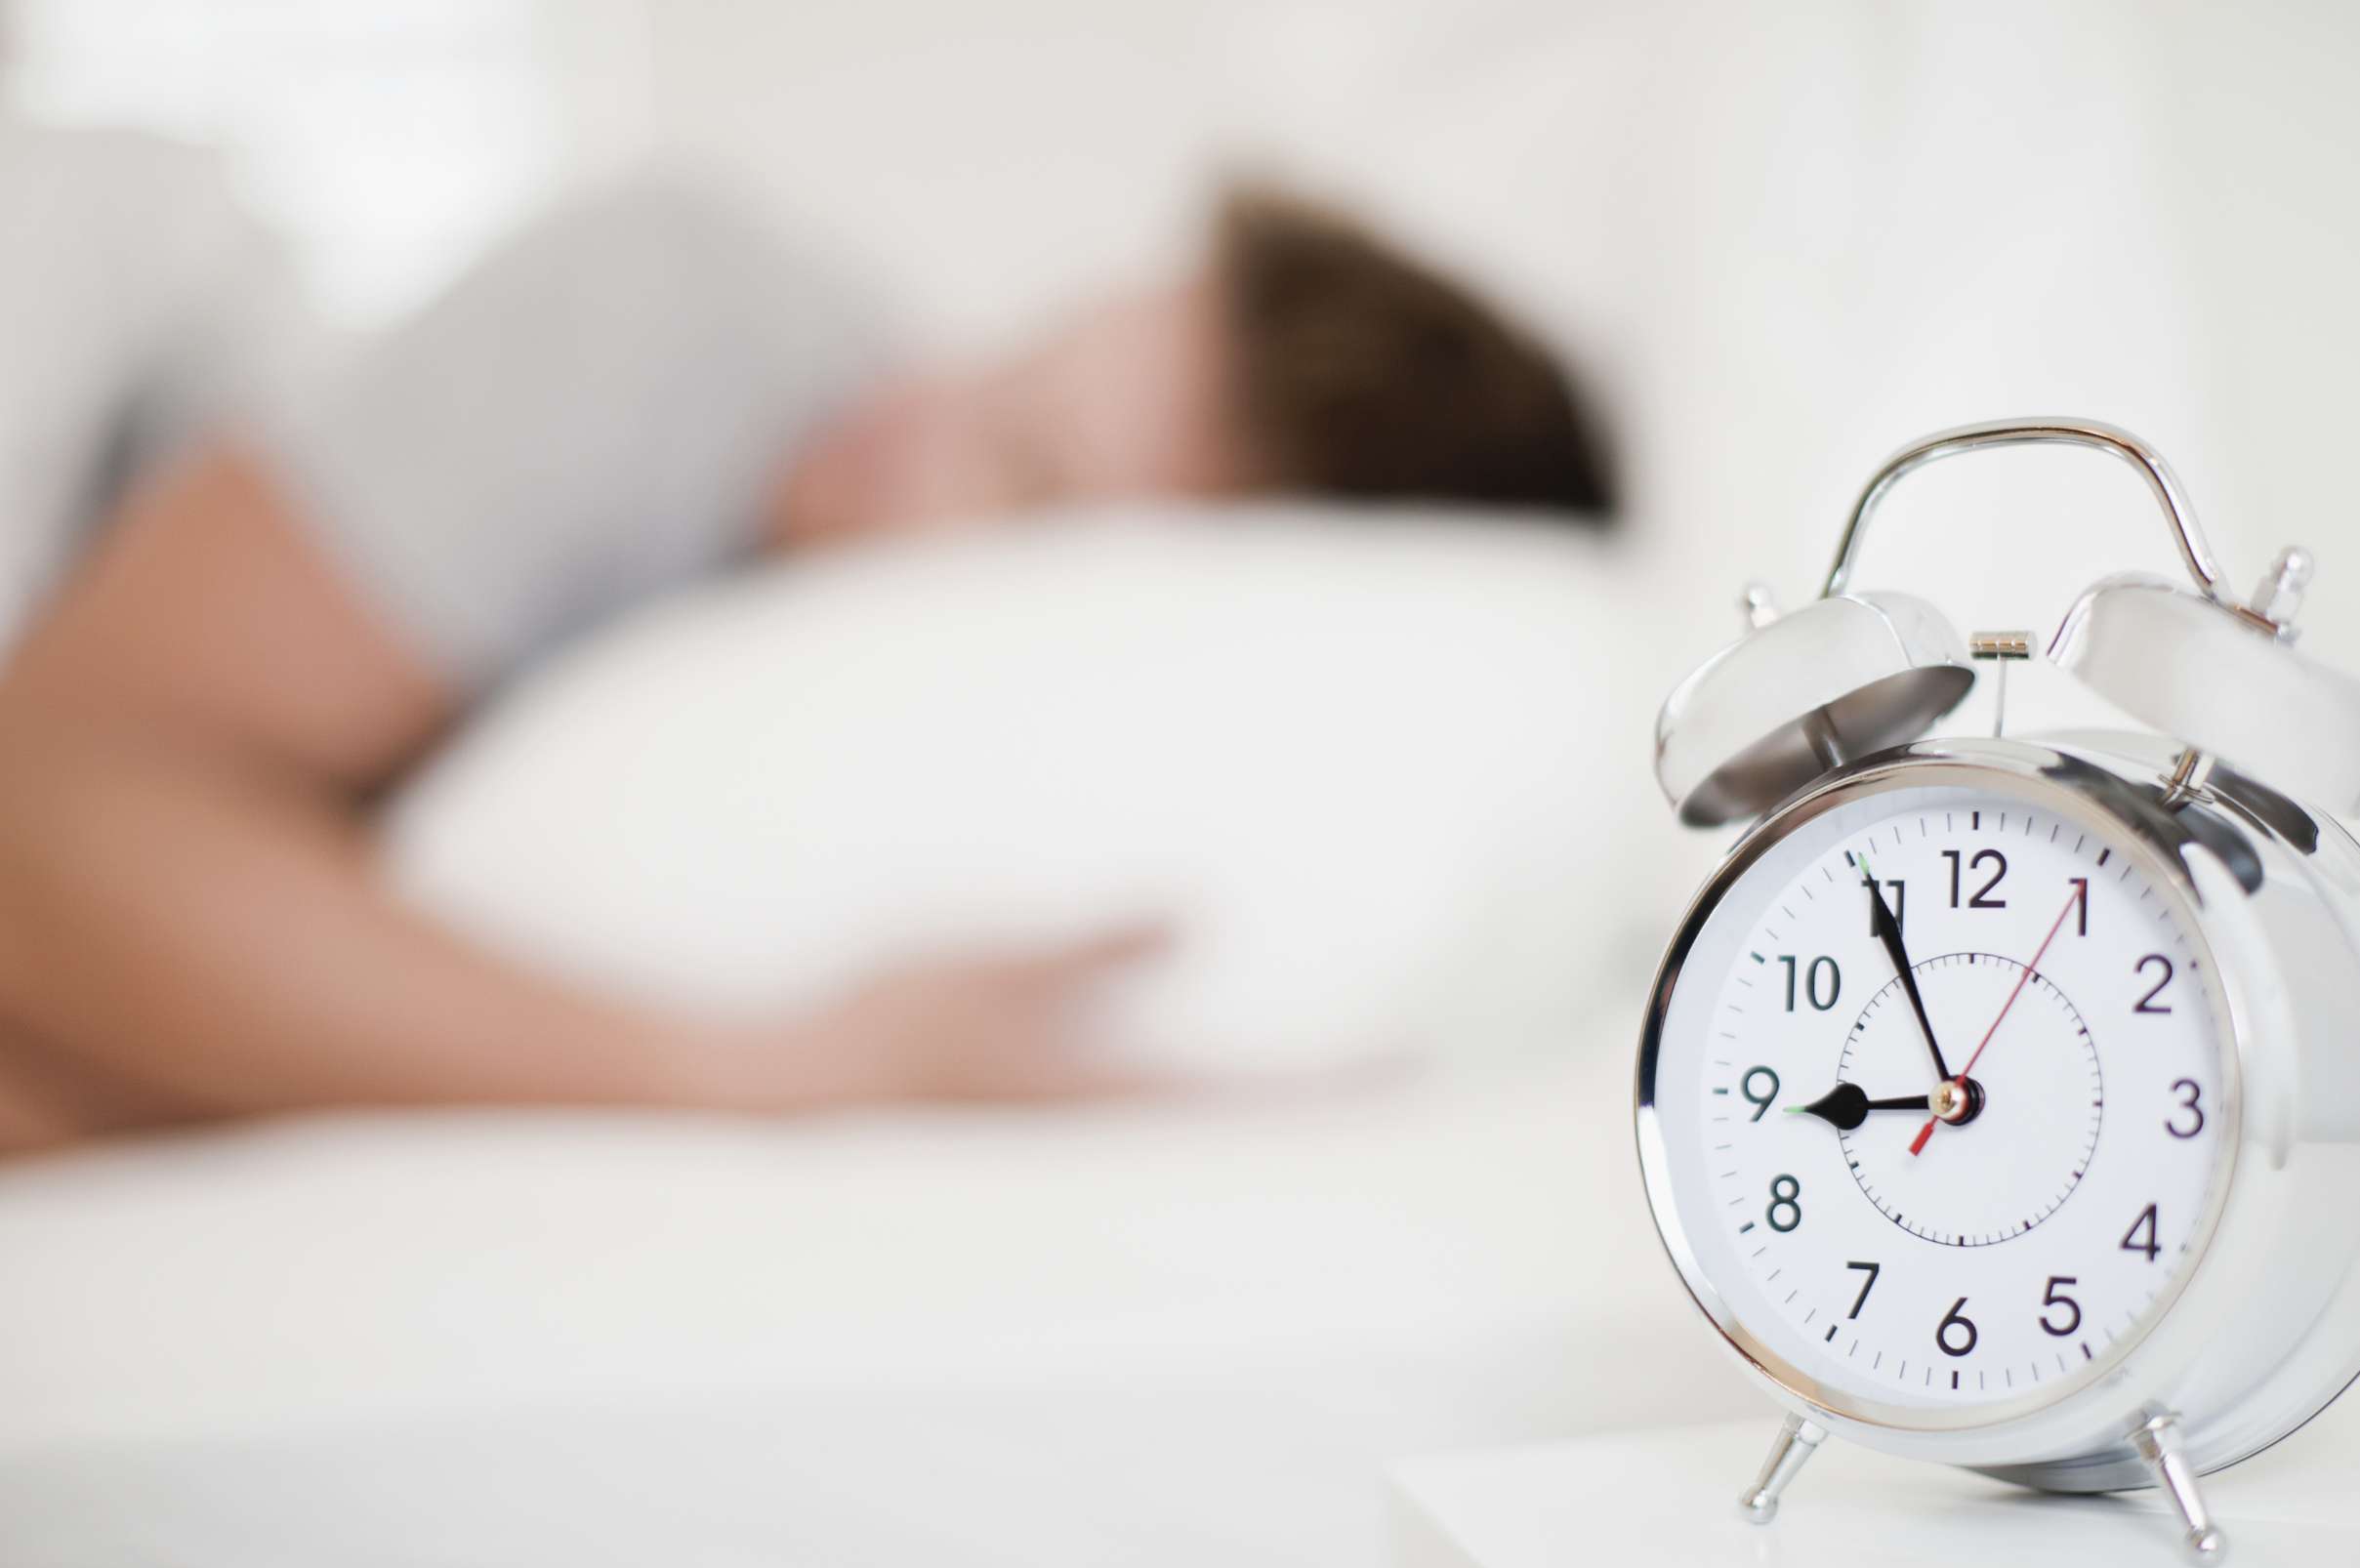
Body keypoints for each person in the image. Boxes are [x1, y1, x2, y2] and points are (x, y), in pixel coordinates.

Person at [0, 173, 1614, 1150]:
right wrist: (747, 1077)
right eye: (1012, 358)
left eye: (1022, 471)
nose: (907, 418)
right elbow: (41, 824)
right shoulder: (670, 311)